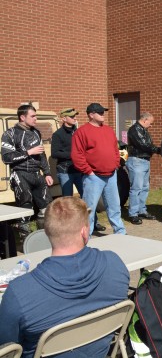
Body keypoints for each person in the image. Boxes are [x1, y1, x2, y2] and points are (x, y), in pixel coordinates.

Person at [0, 196, 130, 358]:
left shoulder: (19, 293)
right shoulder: (115, 265)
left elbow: (6, 349)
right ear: (84, 232)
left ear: (46, 232)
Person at [71, 103, 127, 235]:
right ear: (91, 115)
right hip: (94, 177)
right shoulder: (81, 132)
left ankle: (120, 232)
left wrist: (116, 164)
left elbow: (115, 149)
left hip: (111, 174)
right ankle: (85, 236)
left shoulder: (108, 130)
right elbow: (77, 155)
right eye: (100, 112)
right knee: (89, 209)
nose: (103, 114)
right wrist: (89, 172)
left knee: (114, 206)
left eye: (103, 112)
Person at [0, 104, 53, 235]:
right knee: (25, 209)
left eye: (36, 116)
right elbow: (6, 158)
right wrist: (28, 152)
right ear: (22, 117)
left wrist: (47, 173)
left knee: (47, 209)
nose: (36, 119)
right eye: (33, 116)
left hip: (37, 174)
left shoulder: (36, 132)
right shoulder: (10, 134)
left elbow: (42, 154)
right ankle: (25, 239)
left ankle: (46, 237)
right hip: (20, 174)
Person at [51, 107, 106, 232]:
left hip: (79, 170)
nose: (75, 118)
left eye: (75, 116)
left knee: (88, 197)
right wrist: (73, 154)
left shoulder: (78, 132)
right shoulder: (58, 134)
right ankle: (67, 226)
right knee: (67, 201)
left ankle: (93, 223)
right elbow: (54, 153)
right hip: (65, 171)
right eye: (72, 116)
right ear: (64, 118)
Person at [126, 112, 160, 224]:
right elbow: (143, 144)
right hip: (137, 161)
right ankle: (133, 213)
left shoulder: (143, 130)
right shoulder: (134, 130)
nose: (151, 125)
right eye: (150, 123)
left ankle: (141, 210)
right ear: (145, 120)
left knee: (145, 187)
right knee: (136, 188)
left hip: (145, 161)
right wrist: (158, 150)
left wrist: (155, 149)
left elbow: (147, 144)